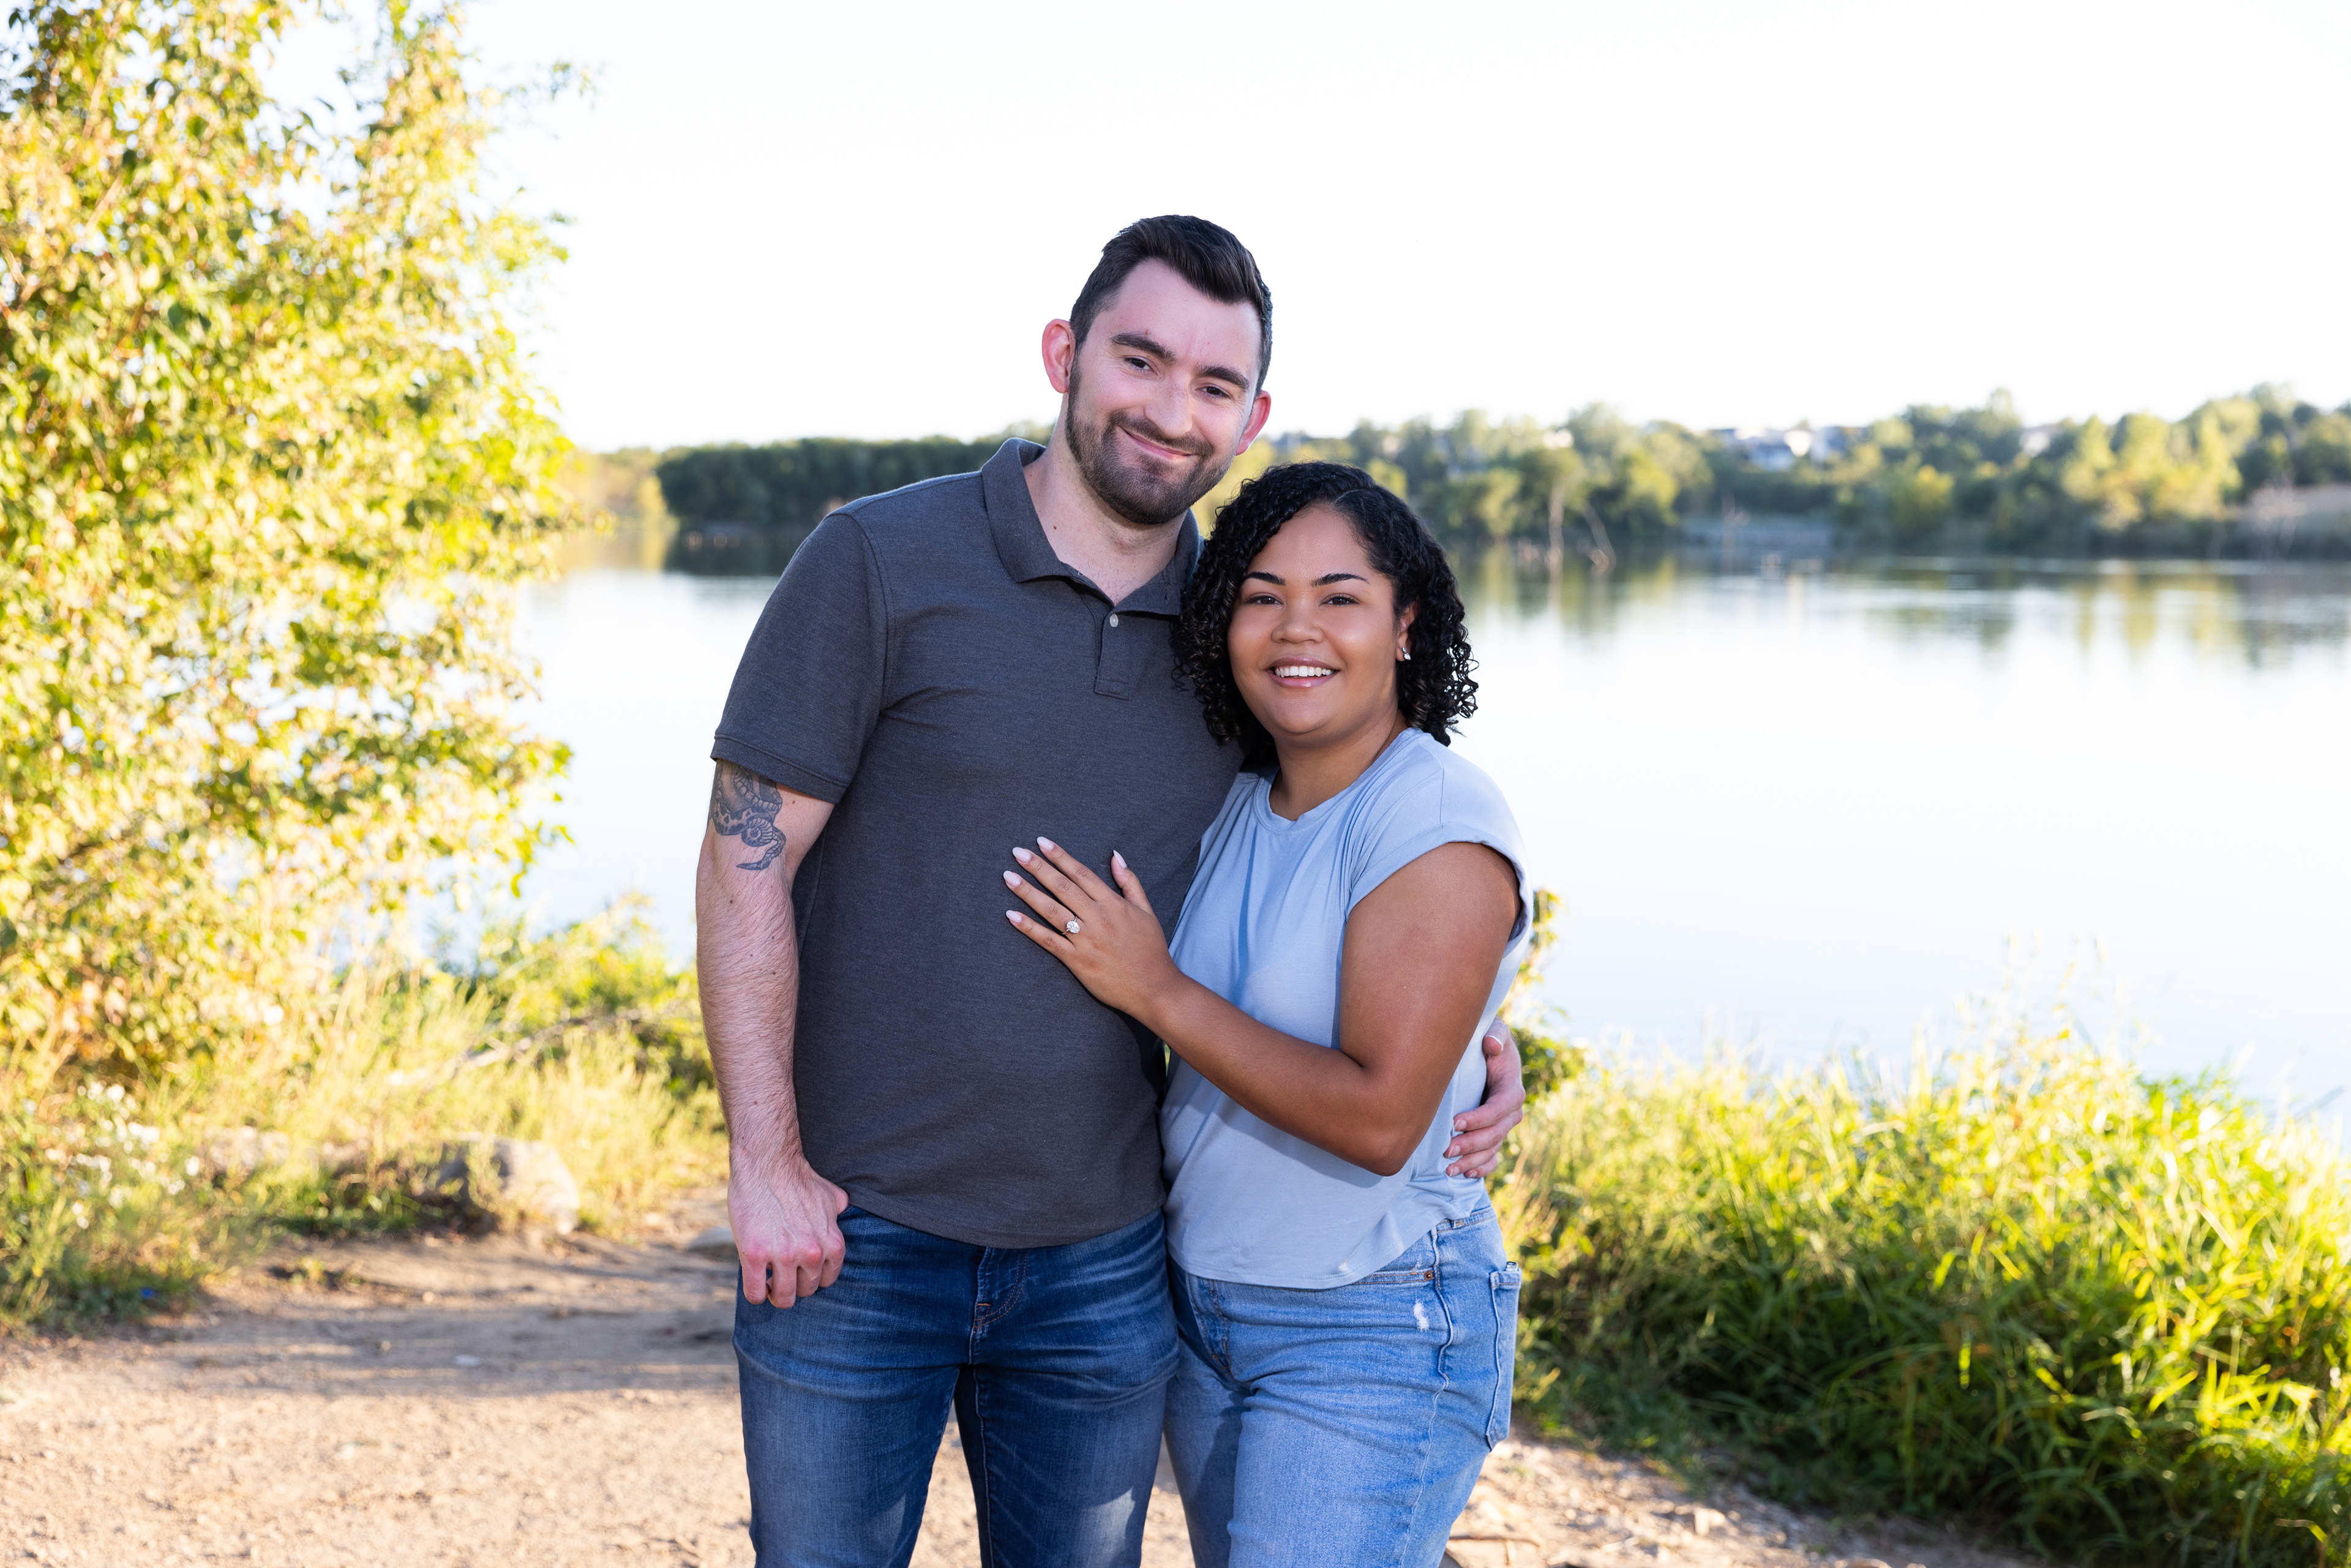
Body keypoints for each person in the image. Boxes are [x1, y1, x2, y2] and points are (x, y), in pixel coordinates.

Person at [697, 217, 1524, 1568]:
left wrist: (1473, 1040)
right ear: (1064, 356)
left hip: (1106, 1258)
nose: (1171, 410)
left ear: (1252, 418)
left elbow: (1354, 861)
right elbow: (744, 858)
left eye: (1214, 384)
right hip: (855, 1233)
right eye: (1141, 360)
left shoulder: (1243, 636)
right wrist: (764, 1162)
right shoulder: (880, 563)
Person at [999, 460, 1529, 1568]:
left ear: (1405, 624)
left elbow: (1380, 1120)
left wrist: (1157, 989)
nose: (1297, 628)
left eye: (1341, 596)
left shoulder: (1432, 814)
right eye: (1261, 594)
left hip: (1371, 1318)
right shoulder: (1237, 796)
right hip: (1206, 1309)